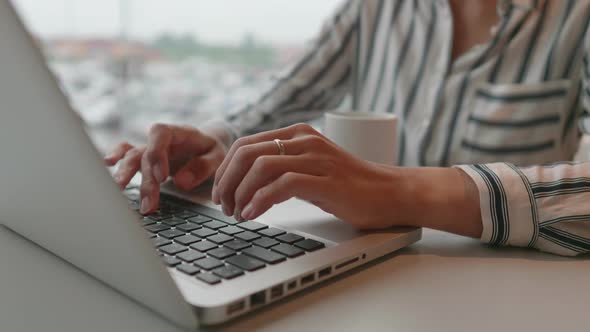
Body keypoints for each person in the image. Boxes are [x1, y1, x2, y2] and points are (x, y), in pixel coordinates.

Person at [105, 0, 590, 256]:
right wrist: (217, 141)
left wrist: (394, 192)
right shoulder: (374, 7)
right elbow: (289, 96)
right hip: (375, 278)